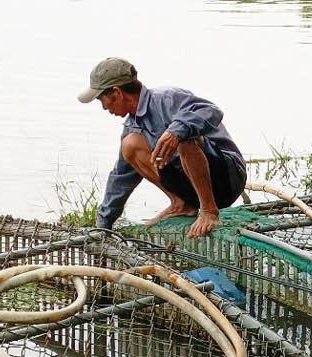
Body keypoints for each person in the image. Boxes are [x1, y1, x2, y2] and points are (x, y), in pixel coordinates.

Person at [78, 57, 246, 238]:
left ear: (117, 93)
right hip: (191, 185)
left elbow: (212, 110)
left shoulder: (167, 98)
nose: (103, 107)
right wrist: (103, 224)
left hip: (228, 178)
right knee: (130, 145)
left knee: (184, 137)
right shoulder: (131, 127)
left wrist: (176, 131)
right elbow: (120, 179)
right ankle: (180, 204)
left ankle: (208, 211)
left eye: (101, 99)